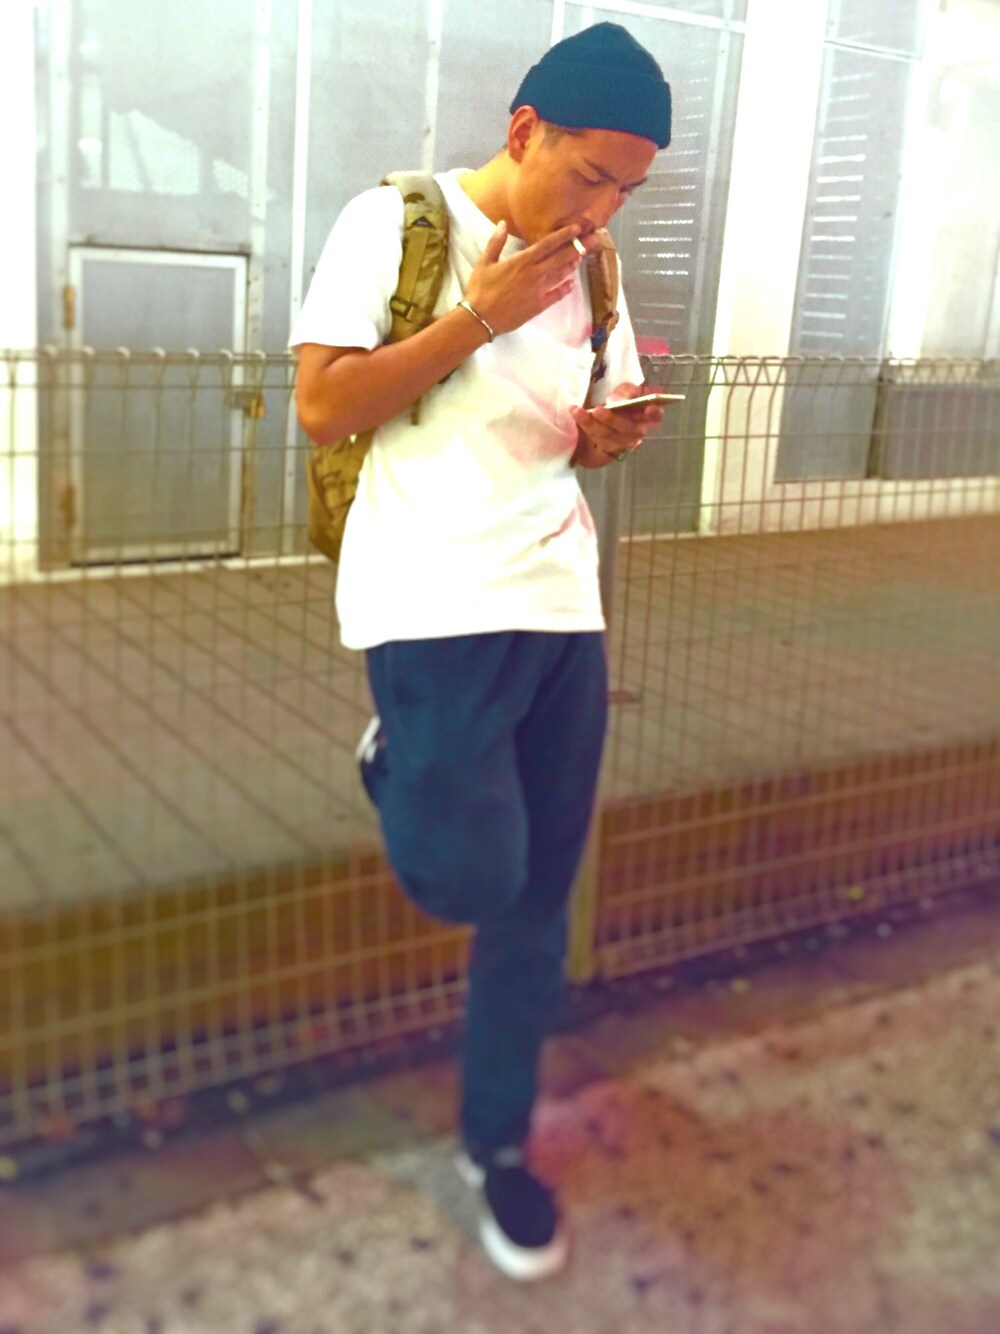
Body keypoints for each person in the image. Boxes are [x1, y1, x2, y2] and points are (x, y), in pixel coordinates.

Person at [292, 22, 672, 1282]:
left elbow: (574, 418)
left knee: (532, 912)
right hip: (431, 603)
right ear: (523, 130)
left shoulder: (597, 268)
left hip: (560, 602)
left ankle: (496, 1143)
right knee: (467, 878)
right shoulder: (395, 224)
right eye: (590, 173)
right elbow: (324, 405)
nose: (602, 208)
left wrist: (603, 432)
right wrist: (476, 314)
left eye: (627, 189)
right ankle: (395, 754)